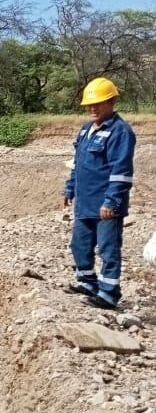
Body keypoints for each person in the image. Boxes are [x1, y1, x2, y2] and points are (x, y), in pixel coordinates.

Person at [64, 77, 136, 309]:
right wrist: (70, 188)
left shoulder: (120, 132)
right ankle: (87, 282)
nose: (93, 109)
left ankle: (108, 294)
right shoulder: (86, 130)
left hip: (106, 206)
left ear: (112, 102)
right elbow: (78, 164)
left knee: (108, 249)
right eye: (90, 105)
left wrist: (111, 202)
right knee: (80, 245)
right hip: (85, 202)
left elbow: (121, 172)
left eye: (99, 103)